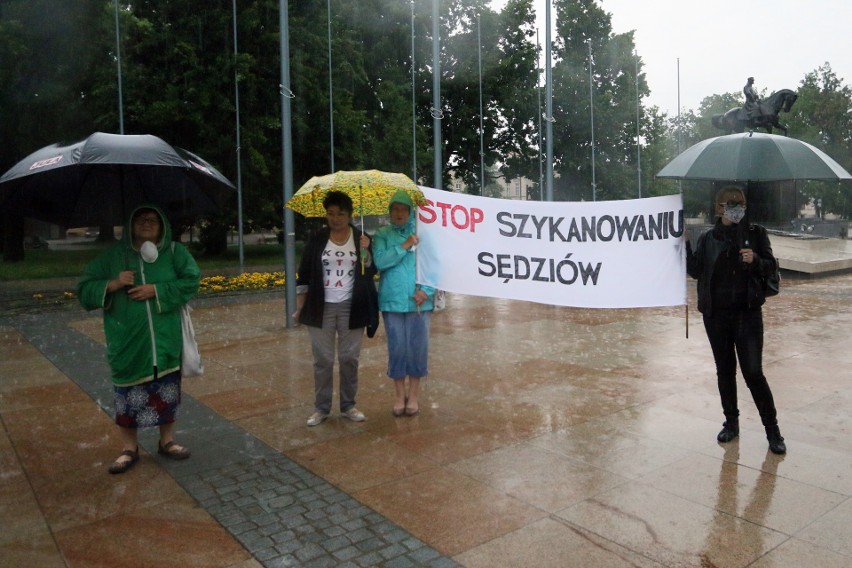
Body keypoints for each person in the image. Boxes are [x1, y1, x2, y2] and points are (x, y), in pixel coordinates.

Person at [78, 205, 201, 473]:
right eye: (141, 219)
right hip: (128, 342)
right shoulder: (113, 257)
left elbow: (192, 280)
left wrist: (156, 290)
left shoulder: (175, 254)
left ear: (163, 226)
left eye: (153, 220)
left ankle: (166, 441)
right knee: (127, 393)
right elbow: (84, 290)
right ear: (131, 223)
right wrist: (113, 284)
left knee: (167, 389)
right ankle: (129, 449)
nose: (147, 223)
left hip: (165, 339)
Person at [685, 186, 786, 454]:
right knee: (725, 371)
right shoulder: (708, 238)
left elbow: (771, 265)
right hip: (716, 316)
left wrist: (755, 260)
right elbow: (695, 270)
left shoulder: (755, 233)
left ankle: (772, 430)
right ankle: (731, 423)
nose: (737, 207)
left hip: (747, 313)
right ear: (719, 207)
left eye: (740, 203)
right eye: (731, 203)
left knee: (753, 372)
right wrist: (684, 243)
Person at [294, 190, 376, 426]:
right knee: (323, 359)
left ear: (350, 214)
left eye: (341, 214)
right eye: (331, 214)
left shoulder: (361, 237)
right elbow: (304, 275)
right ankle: (321, 408)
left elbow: (371, 271)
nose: (336, 218)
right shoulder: (317, 239)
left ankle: (348, 405)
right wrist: (300, 308)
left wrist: (366, 252)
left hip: (354, 305)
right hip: (321, 306)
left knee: (349, 357)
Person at [372, 190, 434, 417]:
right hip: (392, 301)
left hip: (420, 303)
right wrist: (405, 245)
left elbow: (434, 264)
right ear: (390, 212)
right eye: (395, 209)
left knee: (418, 348)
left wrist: (426, 291)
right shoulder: (382, 234)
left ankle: (414, 396)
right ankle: (399, 395)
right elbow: (380, 261)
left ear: (410, 211)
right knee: (397, 348)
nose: (399, 213)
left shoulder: (424, 232)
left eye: (403, 209)